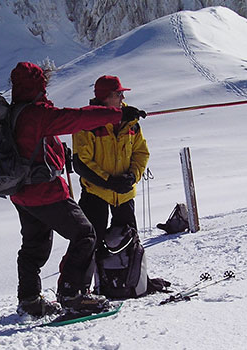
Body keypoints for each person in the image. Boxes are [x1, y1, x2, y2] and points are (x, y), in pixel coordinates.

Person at [9, 62, 145, 317]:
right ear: (38, 85)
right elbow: (76, 119)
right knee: (85, 234)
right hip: (44, 191)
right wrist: (116, 115)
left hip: (20, 191)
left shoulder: (13, 111)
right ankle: (73, 294)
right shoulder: (36, 113)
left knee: (33, 245)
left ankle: (28, 299)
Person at [72, 75, 150, 292]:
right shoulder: (86, 123)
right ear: (105, 98)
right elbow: (82, 163)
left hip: (124, 194)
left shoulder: (130, 120)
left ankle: (132, 282)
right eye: (118, 94)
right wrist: (109, 182)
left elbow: (141, 152)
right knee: (90, 243)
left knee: (128, 241)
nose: (122, 97)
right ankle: (81, 291)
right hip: (95, 193)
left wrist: (132, 176)